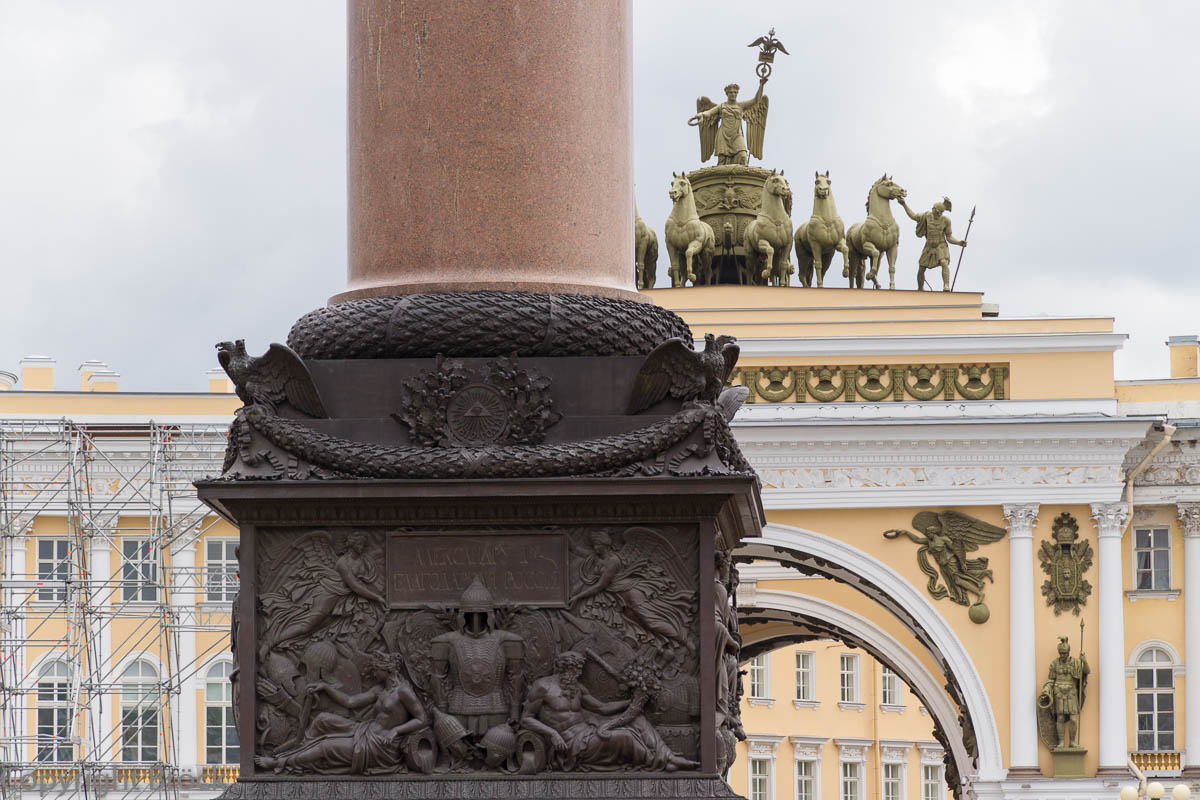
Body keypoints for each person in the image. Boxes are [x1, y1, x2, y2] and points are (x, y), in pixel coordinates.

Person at [253, 651, 427, 774]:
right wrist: (326, 687)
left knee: (325, 746)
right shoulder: (379, 690)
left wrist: (396, 730)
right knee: (322, 719)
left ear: (387, 670)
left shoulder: (403, 692)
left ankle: (280, 762)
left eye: (376, 669)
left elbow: (422, 719)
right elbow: (350, 702)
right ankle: (299, 751)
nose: (373, 672)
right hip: (365, 731)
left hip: (380, 747)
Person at [521, 651, 697, 772]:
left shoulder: (576, 687)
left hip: (585, 731)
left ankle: (669, 758)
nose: (578, 674)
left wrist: (631, 703)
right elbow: (526, 719)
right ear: (564, 669)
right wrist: (552, 733)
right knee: (624, 737)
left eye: (579, 671)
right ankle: (659, 763)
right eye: (575, 670)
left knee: (638, 721)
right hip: (569, 742)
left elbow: (601, 708)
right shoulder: (542, 687)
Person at [689, 79, 767, 166]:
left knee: (743, 156)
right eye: (731, 92)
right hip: (723, 135)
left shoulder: (741, 106)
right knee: (722, 160)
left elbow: (756, 100)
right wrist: (701, 114)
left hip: (737, 135)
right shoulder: (722, 106)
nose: (733, 94)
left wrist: (761, 85)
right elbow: (709, 112)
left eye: (735, 92)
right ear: (727, 94)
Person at [897, 196, 966, 291]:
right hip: (929, 245)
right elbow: (913, 216)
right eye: (934, 211)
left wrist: (959, 242)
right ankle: (920, 288)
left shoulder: (946, 220)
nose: (935, 214)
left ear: (940, 212)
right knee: (921, 267)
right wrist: (904, 204)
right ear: (933, 209)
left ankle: (946, 286)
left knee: (944, 263)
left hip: (941, 245)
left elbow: (949, 237)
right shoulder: (926, 216)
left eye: (937, 213)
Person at [1041, 636, 1089, 749]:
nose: (1062, 655)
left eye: (1064, 653)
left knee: (1073, 718)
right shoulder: (1054, 664)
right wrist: (1046, 689)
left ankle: (1072, 741)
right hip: (1058, 692)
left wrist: (1084, 661)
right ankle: (1061, 742)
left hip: (1071, 692)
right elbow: (1051, 680)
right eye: (1061, 653)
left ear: (1068, 653)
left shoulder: (1076, 662)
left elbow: (1087, 671)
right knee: (1060, 718)